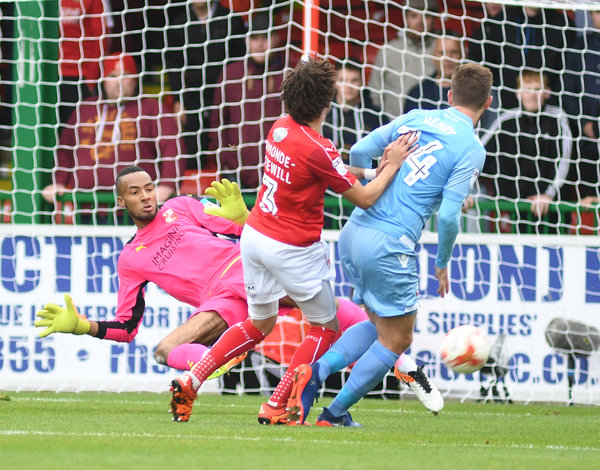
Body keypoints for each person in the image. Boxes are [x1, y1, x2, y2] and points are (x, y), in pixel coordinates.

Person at [168, 57, 419, 424]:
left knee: (258, 324)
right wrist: (393, 165)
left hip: (255, 238)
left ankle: (193, 378)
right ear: (328, 103)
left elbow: (329, 166)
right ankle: (278, 403)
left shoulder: (280, 128)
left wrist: (369, 170)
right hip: (291, 249)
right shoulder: (318, 147)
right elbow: (365, 197)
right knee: (326, 328)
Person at [287, 63, 494, 427]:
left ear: (448, 96)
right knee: (398, 338)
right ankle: (333, 410)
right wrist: (442, 262)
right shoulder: (471, 148)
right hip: (390, 244)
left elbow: (361, 151)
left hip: (354, 232)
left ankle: (314, 373)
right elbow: (448, 216)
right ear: (488, 103)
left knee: (377, 322)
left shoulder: (417, 117)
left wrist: (377, 177)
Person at [34, 166, 368, 380]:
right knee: (164, 351)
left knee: (324, 311)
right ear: (122, 201)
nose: (145, 196)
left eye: (148, 187)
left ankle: (385, 347)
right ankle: (215, 361)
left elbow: (251, 232)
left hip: (244, 271)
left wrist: (241, 216)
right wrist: (81, 326)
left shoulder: (181, 207)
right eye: (135, 192)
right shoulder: (129, 260)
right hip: (221, 303)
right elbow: (126, 328)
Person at [42, 52, 184, 223]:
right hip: (84, 209)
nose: (118, 82)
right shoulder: (85, 108)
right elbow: (65, 150)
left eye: (125, 75)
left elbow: (173, 147)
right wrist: (58, 182)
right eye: (112, 76)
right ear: (103, 80)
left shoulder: (152, 108)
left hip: (132, 213)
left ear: (135, 79)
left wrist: (167, 185)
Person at [480, 69, 572, 234]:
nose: (531, 95)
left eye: (537, 89)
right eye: (527, 89)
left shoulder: (558, 117)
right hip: (517, 209)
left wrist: (549, 195)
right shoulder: (506, 120)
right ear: (518, 93)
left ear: (547, 93)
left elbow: (566, 158)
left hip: (551, 207)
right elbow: (478, 151)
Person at [209, 13, 285, 192]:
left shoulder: (289, 74)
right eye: (254, 38)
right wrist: (226, 160)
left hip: (280, 173)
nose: (259, 44)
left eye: (265, 37)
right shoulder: (231, 74)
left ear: (275, 39)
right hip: (236, 174)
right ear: (246, 41)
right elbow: (218, 122)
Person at [165, 0, 246, 166]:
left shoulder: (231, 20)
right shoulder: (179, 22)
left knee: (230, 149)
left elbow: (241, 61)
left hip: (226, 98)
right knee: (192, 153)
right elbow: (174, 64)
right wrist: (177, 100)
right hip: (193, 98)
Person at [467, 6, 575, 112]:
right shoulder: (502, 21)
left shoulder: (563, 25)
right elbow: (480, 62)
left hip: (549, 111)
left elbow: (569, 74)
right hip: (507, 108)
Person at [368, 0, 438, 120]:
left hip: (433, 126)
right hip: (395, 125)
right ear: (405, 18)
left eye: (426, 15)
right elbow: (375, 95)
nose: (420, 21)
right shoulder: (389, 50)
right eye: (413, 16)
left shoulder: (441, 49)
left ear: (434, 18)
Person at [564, 10, 600, 210]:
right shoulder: (580, 46)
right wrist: (583, 122)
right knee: (589, 201)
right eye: (596, 12)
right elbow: (568, 88)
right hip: (585, 140)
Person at [58, 0, 113, 131]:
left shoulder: (95, 2)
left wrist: (91, 79)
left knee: (77, 129)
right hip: (52, 74)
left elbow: (102, 39)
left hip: (80, 76)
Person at [322, 59, 389, 164]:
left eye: (354, 81)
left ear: (362, 82)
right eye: (343, 80)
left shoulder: (375, 116)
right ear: (335, 82)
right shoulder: (323, 114)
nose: (348, 86)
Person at [403, 33, 462, 113]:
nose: (447, 58)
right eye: (442, 53)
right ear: (433, 57)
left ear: (463, 55)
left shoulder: (474, 91)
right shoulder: (418, 94)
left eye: (454, 52)